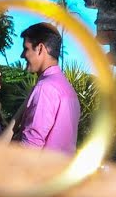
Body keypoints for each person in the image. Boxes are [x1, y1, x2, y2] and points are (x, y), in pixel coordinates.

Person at [16, 23, 80, 154]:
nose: (22, 55)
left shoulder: (45, 87)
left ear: (40, 48)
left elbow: (30, 147)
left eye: (26, 48)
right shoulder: (68, 89)